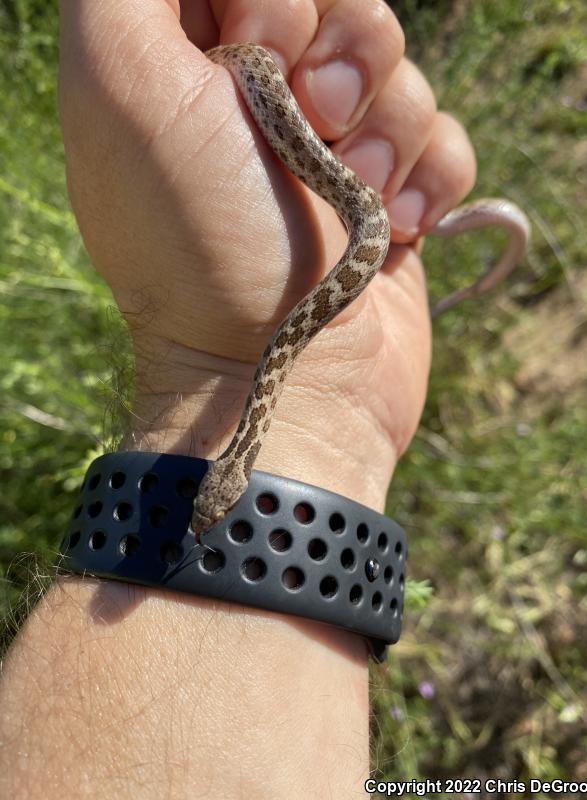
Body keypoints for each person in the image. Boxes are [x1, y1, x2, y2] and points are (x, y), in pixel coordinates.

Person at [0, 1, 477, 797]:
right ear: (235, 479)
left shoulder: (259, 410)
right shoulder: (259, 401)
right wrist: (315, 416)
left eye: (211, 511)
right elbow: (274, 378)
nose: (210, 518)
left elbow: (278, 372)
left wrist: (308, 404)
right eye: (217, 512)